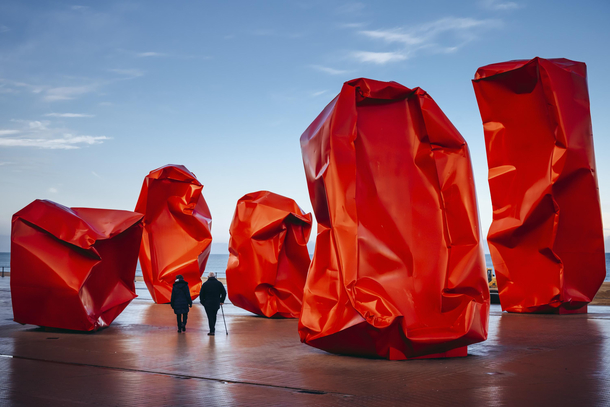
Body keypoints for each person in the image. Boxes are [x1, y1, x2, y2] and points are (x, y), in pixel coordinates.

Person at [199, 271, 227, 336]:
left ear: (208, 277)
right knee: (214, 316)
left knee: (210, 316)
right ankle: (212, 329)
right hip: (216, 303)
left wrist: (203, 302)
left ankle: (212, 330)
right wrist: (221, 300)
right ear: (215, 277)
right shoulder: (219, 283)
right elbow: (224, 293)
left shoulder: (205, 284)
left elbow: (201, 294)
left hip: (207, 303)